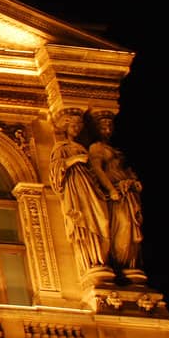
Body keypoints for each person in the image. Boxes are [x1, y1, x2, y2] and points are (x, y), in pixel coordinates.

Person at [50, 110, 110, 282]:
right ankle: (92, 264)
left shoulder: (84, 147)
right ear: (65, 126)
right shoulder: (60, 147)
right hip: (75, 189)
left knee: (103, 223)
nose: (76, 129)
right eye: (73, 125)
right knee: (83, 222)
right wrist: (75, 160)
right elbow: (55, 171)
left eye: (79, 125)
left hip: (89, 188)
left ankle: (99, 261)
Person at [87, 113, 144, 276]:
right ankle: (121, 264)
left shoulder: (114, 150)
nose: (107, 129)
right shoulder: (96, 148)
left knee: (131, 232)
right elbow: (97, 169)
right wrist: (111, 189)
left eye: (110, 126)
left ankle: (129, 267)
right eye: (103, 126)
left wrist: (132, 180)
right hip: (115, 194)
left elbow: (123, 170)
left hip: (127, 193)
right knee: (123, 227)